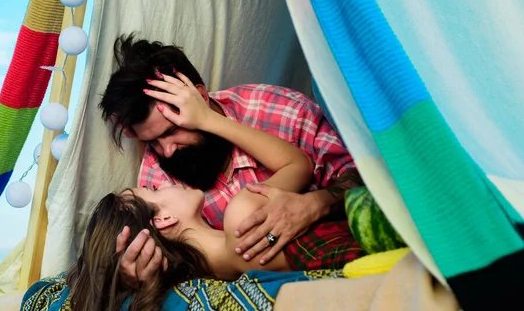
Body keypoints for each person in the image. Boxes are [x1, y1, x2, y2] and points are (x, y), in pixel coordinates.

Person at [99, 34, 363, 286]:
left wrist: (319, 203)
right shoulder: (157, 175)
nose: (166, 152)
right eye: (152, 142)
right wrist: (133, 278)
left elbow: (368, 180)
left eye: (171, 131)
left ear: (200, 98)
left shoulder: (280, 111)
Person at [67, 88, 363, 310]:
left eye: (172, 131)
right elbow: (298, 165)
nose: (165, 156)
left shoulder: (203, 273)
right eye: (154, 191)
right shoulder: (243, 216)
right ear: (164, 220)